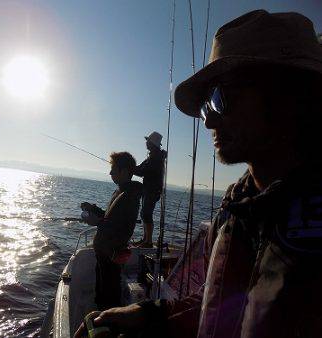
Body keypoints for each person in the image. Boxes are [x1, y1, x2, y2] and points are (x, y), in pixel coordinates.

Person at [75, 9, 322, 338]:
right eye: (207, 104)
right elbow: (222, 307)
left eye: (222, 97)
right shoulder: (239, 207)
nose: (207, 120)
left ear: (291, 95)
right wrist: (149, 313)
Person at [81, 151, 142, 311]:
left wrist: (97, 222)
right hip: (104, 251)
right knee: (102, 294)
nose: (110, 172)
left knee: (108, 298)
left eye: (113, 169)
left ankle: (108, 327)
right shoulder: (121, 191)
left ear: (124, 171)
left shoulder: (129, 196)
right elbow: (111, 218)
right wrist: (93, 209)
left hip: (111, 253)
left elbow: (120, 228)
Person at [133, 131, 167, 248]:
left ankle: (148, 242)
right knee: (144, 214)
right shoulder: (153, 155)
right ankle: (145, 239)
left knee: (146, 214)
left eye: (147, 141)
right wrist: (132, 168)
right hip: (149, 189)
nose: (146, 143)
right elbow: (141, 168)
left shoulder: (155, 157)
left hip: (152, 190)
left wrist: (130, 169)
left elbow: (142, 171)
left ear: (152, 143)